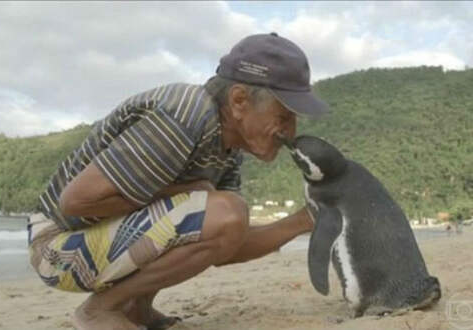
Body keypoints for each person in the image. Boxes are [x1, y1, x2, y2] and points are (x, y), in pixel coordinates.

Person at [27, 33, 329, 330]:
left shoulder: (227, 149)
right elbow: (75, 202)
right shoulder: (184, 115)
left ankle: (137, 307)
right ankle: (100, 310)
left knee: (226, 213)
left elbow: (226, 242)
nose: (290, 131)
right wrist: (184, 190)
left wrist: (305, 220)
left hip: (93, 243)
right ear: (239, 100)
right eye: (284, 116)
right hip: (56, 247)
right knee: (225, 210)